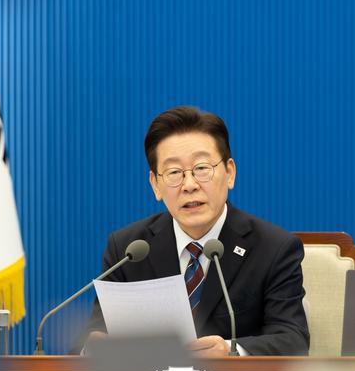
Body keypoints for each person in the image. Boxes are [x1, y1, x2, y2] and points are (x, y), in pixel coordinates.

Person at [81, 106, 309, 356]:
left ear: (230, 173)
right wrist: (92, 349)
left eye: (202, 168)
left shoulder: (274, 248)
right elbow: (93, 338)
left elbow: (293, 340)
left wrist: (231, 352)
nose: (189, 185)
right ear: (155, 185)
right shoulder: (128, 250)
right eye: (174, 172)